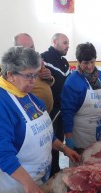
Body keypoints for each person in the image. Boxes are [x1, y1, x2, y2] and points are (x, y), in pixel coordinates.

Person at [0, 47, 80, 193]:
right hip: (12, 182)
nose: (34, 81)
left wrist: (63, 148)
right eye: (29, 76)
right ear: (10, 75)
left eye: (36, 74)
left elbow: (45, 132)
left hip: (37, 177)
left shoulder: (29, 97)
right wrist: (28, 183)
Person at [61, 42, 101, 159]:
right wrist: (68, 137)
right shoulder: (72, 82)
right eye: (85, 63)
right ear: (78, 62)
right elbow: (67, 113)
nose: (89, 66)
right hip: (83, 141)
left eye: (92, 62)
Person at [41, 33, 70, 176]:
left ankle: (56, 170)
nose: (68, 46)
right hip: (50, 109)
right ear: (54, 42)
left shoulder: (64, 62)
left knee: (59, 139)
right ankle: (49, 173)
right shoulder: (43, 59)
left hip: (63, 108)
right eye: (65, 43)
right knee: (48, 142)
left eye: (68, 43)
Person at [14, 33, 54, 114]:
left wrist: (49, 78)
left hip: (46, 115)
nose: (31, 52)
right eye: (26, 49)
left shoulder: (36, 63)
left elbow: (47, 83)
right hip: (30, 116)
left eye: (32, 47)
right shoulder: (12, 69)